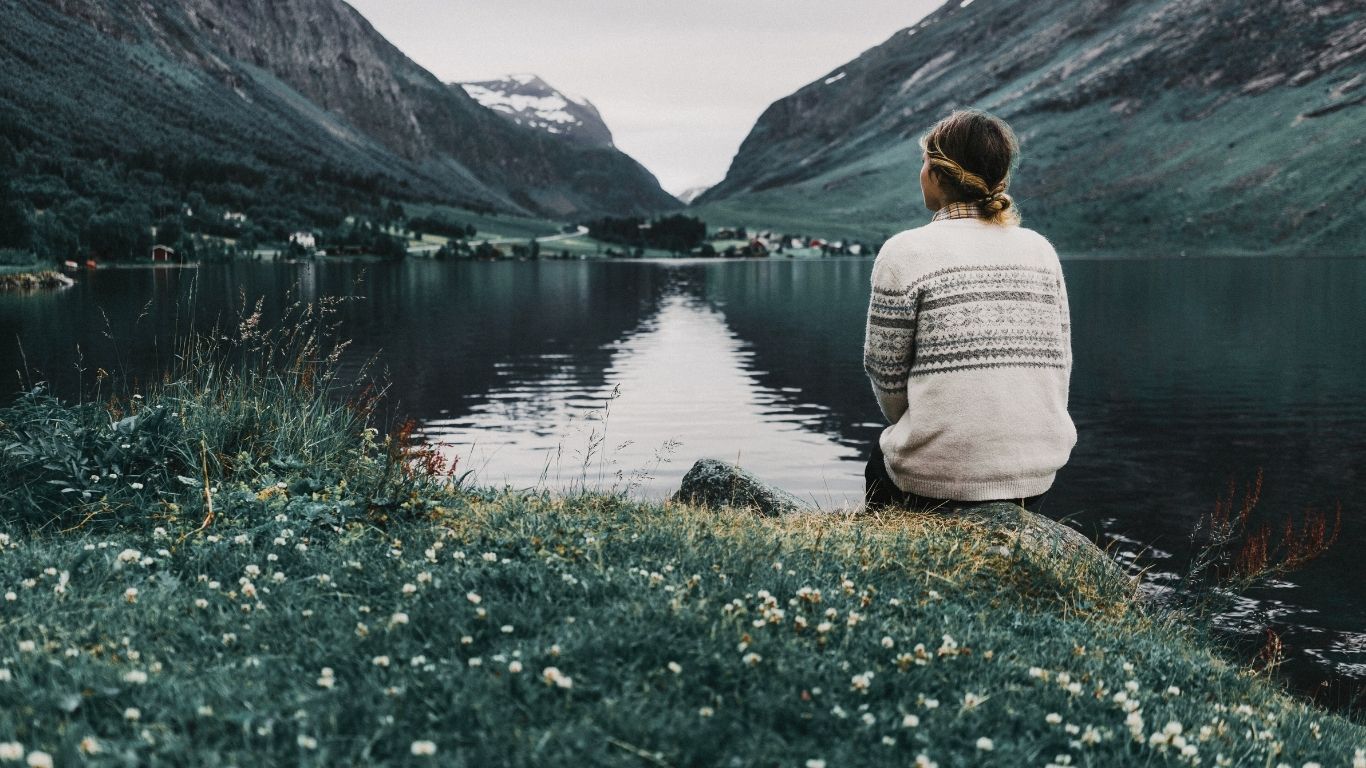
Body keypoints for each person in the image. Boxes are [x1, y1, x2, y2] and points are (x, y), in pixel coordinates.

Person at [862, 108, 1076, 513]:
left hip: (933, 477)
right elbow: (1058, 365)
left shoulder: (905, 252)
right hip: (1034, 475)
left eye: (924, 162)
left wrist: (927, 425)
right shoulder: (1040, 251)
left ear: (939, 175)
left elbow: (886, 378)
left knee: (879, 465)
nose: (921, 172)